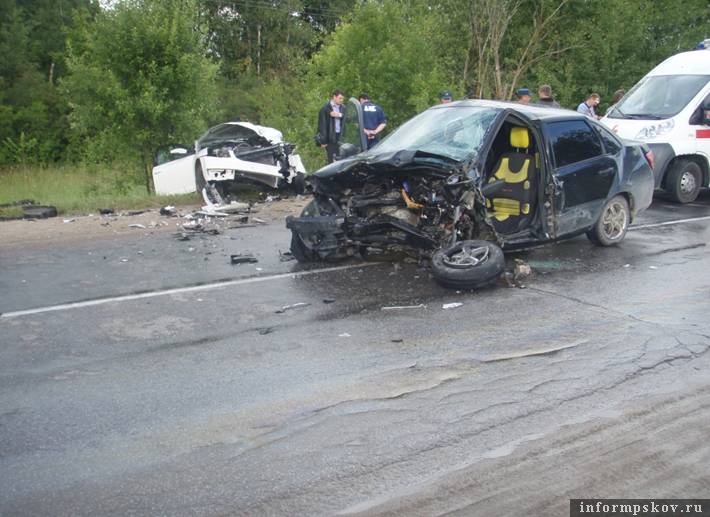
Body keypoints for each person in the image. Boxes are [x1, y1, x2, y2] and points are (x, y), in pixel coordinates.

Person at [317, 89, 345, 164]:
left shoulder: (343, 108)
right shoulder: (325, 109)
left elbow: (348, 118)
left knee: (341, 157)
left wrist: (339, 115)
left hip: (341, 136)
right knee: (332, 159)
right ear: (334, 97)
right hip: (330, 137)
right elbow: (322, 125)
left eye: (342, 99)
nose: (341, 100)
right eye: (340, 98)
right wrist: (323, 141)